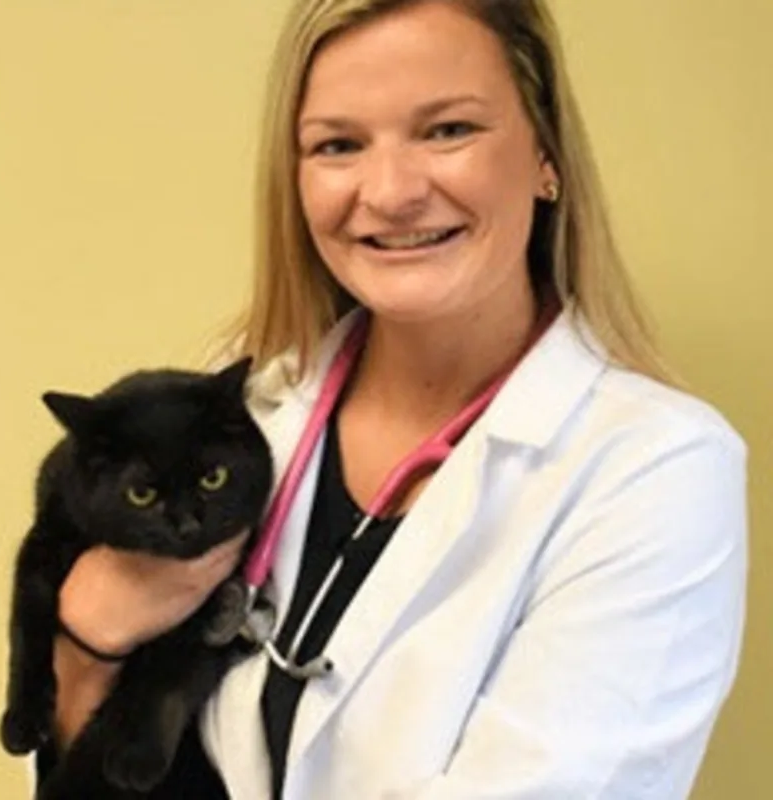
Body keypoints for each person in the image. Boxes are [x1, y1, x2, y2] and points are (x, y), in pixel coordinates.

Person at [39, 0, 748, 798]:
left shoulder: (654, 469)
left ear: (547, 154)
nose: (392, 191)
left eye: (448, 130)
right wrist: (83, 647)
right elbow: (85, 761)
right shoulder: (238, 414)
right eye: (338, 145)